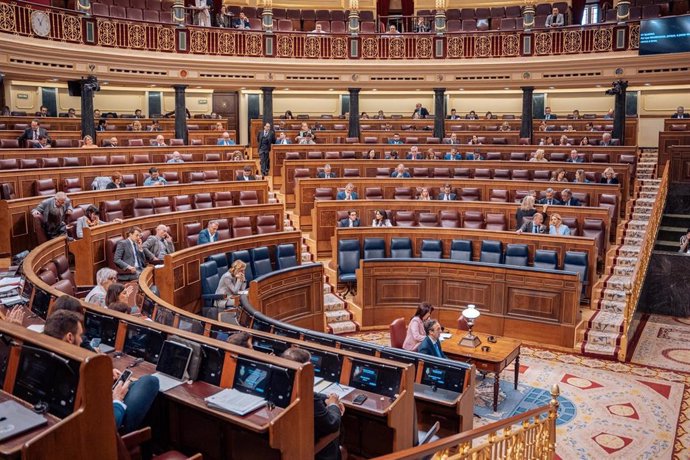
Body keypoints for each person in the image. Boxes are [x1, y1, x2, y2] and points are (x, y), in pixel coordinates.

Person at [44, 310, 159, 434]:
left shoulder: (47, 361)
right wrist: (117, 400)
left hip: (66, 426)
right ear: (70, 337)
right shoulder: (71, 373)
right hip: (102, 434)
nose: (82, 341)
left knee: (131, 385)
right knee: (150, 381)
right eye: (80, 335)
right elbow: (104, 429)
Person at [280, 347, 344, 460]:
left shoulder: (281, 384)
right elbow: (332, 424)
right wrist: (333, 405)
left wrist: (327, 398)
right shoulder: (308, 397)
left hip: (286, 442)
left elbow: (313, 395)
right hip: (307, 450)